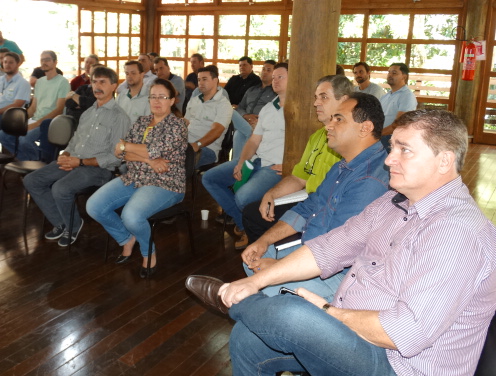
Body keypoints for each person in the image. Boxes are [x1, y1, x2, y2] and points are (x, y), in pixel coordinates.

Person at [187, 109, 496, 376]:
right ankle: (243, 302)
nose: (389, 159)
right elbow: (329, 248)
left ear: (444, 161)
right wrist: (257, 282)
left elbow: (406, 333)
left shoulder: (456, 232)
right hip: (359, 335)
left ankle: (232, 302)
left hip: (401, 364)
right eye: (392, 148)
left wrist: (327, 313)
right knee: (248, 337)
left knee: (292, 314)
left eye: (404, 150)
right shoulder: (392, 202)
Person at [239, 92, 389, 296]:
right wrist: (264, 241)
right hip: (313, 250)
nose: (329, 125)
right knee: (253, 261)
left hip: (340, 274)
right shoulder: (342, 166)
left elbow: (338, 248)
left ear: (365, 128)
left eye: (339, 119)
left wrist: (278, 267)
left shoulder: (370, 180)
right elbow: (309, 206)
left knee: (263, 283)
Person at [86, 79, 188, 277]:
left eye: (162, 97)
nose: (157, 101)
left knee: (131, 216)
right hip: (134, 176)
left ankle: (148, 252)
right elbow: (119, 152)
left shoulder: (177, 126)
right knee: (94, 206)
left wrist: (127, 146)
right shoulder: (141, 121)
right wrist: (149, 160)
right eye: (153, 97)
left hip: (165, 182)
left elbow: (149, 149)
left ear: (172, 100)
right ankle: (126, 239)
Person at [23, 66, 130, 247]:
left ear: (114, 86)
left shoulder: (120, 117)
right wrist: (66, 154)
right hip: (75, 161)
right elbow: (75, 140)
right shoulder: (88, 113)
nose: (97, 86)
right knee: (32, 180)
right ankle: (62, 222)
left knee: (60, 188)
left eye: (102, 82)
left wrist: (79, 162)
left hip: (98, 169)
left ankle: (73, 225)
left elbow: (116, 157)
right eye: (94, 81)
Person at [241, 75, 349, 242]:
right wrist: (271, 194)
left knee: (266, 225)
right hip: (309, 198)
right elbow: (299, 178)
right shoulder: (318, 136)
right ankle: (267, 260)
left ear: (344, 100)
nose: (316, 103)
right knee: (253, 213)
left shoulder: (350, 139)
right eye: (316, 97)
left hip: (327, 208)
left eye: (324, 97)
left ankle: (281, 257)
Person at [202, 63, 288, 250]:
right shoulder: (268, 108)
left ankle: (251, 230)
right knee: (210, 178)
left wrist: (291, 165)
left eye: (280, 77)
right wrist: (241, 161)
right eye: (274, 77)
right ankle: (245, 226)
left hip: (275, 168)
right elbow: (253, 141)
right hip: (256, 161)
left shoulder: (299, 111)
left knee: (242, 197)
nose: (275, 80)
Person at [0, 51, 69, 161]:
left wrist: (35, 124)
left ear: (55, 62)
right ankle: (32, 161)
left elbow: (59, 110)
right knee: (2, 135)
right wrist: (21, 121)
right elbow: (33, 107)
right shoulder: (39, 82)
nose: (44, 62)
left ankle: (39, 165)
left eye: (47, 60)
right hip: (35, 119)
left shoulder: (62, 82)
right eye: (42, 60)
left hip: (50, 123)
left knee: (24, 139)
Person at [185, 65, 232, 168]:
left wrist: (197, 145)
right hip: (186, 143)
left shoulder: (223, 104)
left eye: (204, 79)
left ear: (215, 80)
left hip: (207, 149)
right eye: (199, 80)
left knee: (174, 161)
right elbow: (185, 122)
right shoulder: (194, 100)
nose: (200, 83)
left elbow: (216, 131)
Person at [231, 60, 277, 159]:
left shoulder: (275, 93)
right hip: (244, 121)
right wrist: (246, 116)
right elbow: (240, 107)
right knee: (230, 110)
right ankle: (238, 165)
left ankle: (235, 165)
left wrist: (258, 120)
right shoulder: (251, 90)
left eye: (268, 70)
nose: (264, 72)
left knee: (239, 133)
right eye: (263, 69)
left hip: (259, 124)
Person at [380, 62, 418, 147]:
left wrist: (378, 134)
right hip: (380, 136)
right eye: (389, 72)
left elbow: (399, 123)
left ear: (404, 77)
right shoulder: (385, 96)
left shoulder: (407, 95)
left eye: (394, 73)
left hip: (392, 139)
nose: (390, 75)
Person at [116, 60, 151, 125]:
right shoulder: (121, 96)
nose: (129, 76)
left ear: (142, 75)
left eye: (133, 73)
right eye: (127, 73)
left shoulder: (150, 97)